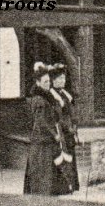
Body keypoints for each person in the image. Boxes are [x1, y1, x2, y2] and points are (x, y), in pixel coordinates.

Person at [23, 61, 65, 195]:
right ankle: (41, 190)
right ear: (38, 83)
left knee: (46, 165)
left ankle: (47, 190)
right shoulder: (39, 99)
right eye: (45, 82)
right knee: (41, 166)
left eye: (49, 82)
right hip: (41, 137)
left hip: (44, 137)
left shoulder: (46, 97)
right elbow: (41, 120)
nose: (48, 84)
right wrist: (54, 134)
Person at [48, 62, 79, 193]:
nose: (62, 81)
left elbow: (71, 112)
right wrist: (67, 127)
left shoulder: (65, 94)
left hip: (69, 129)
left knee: (70, 156)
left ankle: (73, 184)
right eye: (59, 78)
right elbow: (58, 115)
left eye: (63, 78)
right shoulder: (52, 95)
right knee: (62, 156)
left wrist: (74, 126)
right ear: (53, 81)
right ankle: (63, 185)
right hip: (61, 129)